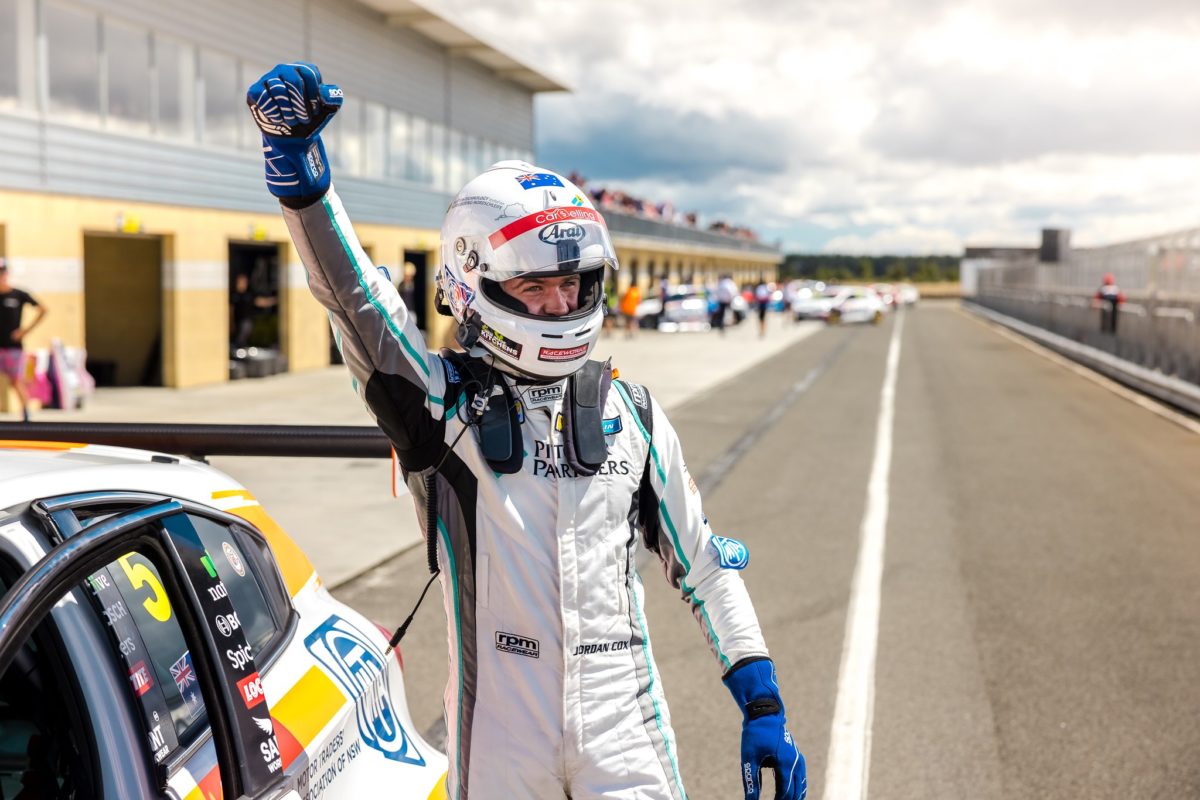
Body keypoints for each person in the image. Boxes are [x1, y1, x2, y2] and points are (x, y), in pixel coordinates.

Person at [247, 63, 806, 800]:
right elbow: (355, 301)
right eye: (534, 286)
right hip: (497, 736)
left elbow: (704, 561)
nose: (559, 303)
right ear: (470, 284)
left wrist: (762, 701)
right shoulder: (440, 408)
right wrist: (303, 183)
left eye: (571, 283)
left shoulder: (632, 413)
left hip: (626, 728)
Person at [0, 259, 47, 422]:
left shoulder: (18, 294)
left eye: (2, 272)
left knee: (16, 381)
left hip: (13, 347)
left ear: (6, 274)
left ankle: (26, 413)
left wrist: (25, 331)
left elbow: (43, 309)